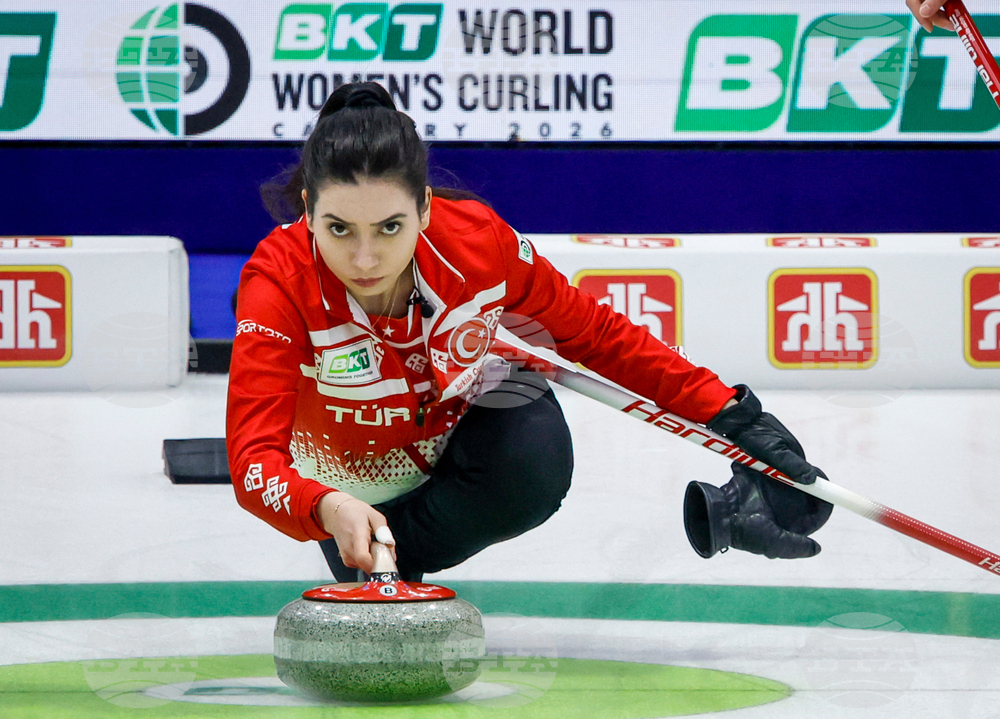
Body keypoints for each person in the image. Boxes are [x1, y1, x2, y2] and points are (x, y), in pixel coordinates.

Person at [226, 82, 833, 583]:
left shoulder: (479, 244)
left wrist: (730, 413)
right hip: (349, 479)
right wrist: (324, 507)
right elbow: (254, 461)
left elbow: (594, 333)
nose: (364, 258)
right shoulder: (277, 285)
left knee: (533, 460)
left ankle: (391, 552)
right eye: (338, 229)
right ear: (307, 210)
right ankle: (363, 537)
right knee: (345, 507)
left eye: (389, 227)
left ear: (427, 210)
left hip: (456, 431)